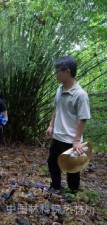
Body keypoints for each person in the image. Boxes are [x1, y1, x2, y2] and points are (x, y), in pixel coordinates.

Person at [45, 56, 90, 193]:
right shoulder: (59, 89)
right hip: (58, 136)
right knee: (53, 163)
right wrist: (51, 125)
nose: (56, 74)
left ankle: (73, 192)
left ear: (67, 72)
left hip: (71, 140)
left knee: (72, 168)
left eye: (58, 71)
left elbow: (83, 118)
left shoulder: (80, 95)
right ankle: (56, 186)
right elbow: (56, 109)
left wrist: (77, 140)